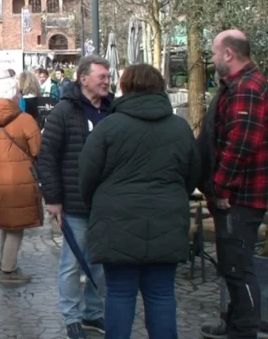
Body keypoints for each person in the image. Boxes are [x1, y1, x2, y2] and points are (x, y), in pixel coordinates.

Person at [79, 64, 200, 339]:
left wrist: (97, 206)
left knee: (120, 293)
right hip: (167, 220)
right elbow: (192, 176)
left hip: (116, 222)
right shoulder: (180, 129)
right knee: (161, 294)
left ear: (126, 88)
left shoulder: (108, 127)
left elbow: (86, 176)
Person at [199, 30, 268, 339]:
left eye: (214, 53)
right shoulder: (238, 86)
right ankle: (234, 322)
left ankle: (244, 330)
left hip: (240, 198)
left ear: (229, 54)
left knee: (239, 268)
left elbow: (240, 144)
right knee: (232, 267)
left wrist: (221, 188)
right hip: (237, 196)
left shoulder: (247, 88)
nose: (212, 59)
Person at [38, 55, 113, 339]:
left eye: (108, 76)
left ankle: (93, 313)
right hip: (75, 201)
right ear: (84, 79)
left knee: (100, 262)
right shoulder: (63, 112)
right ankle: (72, 316)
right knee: (71, 264)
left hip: (106, 204)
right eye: (101, 76)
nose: (106, 81)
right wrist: (53, 198)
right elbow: (46, 157)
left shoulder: (113, 110)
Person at [0, 76, 41, 285]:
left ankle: (3, 261)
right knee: (16, 226)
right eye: (18, 91)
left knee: (6, 223)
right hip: (22, 178)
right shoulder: (25, 120)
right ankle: (8, 269)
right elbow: (38, 150)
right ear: (13, 94)